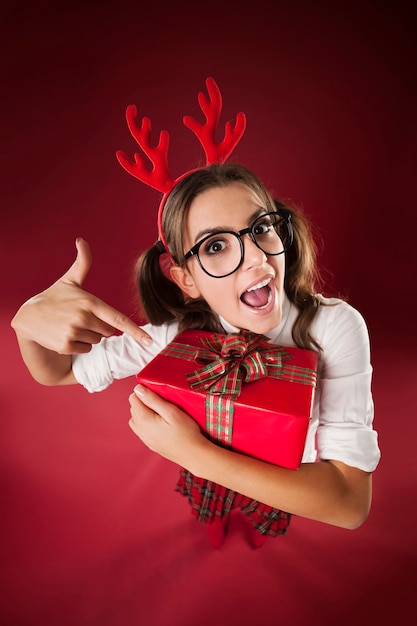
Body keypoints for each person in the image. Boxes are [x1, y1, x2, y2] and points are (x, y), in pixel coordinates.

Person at [11, 80, 380, 549]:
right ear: (184, 278)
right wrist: (24, 321)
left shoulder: (334, 326)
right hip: (211, 471)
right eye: (216, 246)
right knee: (216, 514)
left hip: (293, 475)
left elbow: (348, 504)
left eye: (262, 228)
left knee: (264, 522)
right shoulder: (173, 337)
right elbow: (56, 373)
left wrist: (190, 452)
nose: (257, 260)